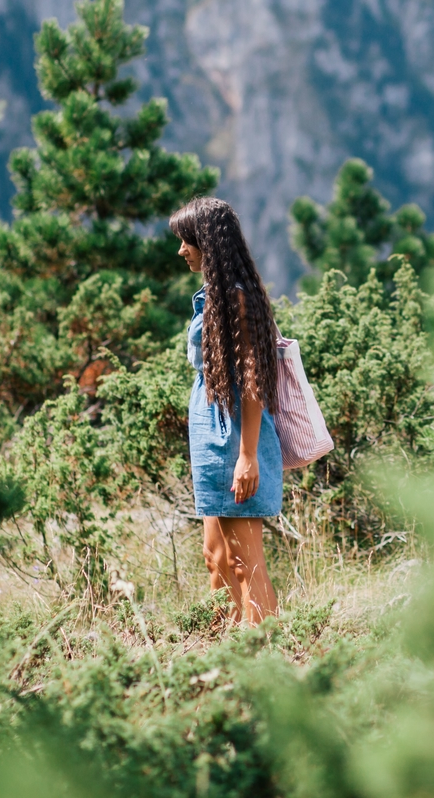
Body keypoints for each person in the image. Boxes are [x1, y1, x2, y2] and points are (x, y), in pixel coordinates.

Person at [169, 195, 282, 625]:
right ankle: (222, 653)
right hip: (212, 441)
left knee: (243, 561)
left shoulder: (235, 298)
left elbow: (254, 380)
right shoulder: (213, 297)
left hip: (232, 438)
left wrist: (247, 455)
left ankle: (265, 658)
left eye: (187, 240)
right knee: (215, 557)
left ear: (208, 243)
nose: (181, 250)